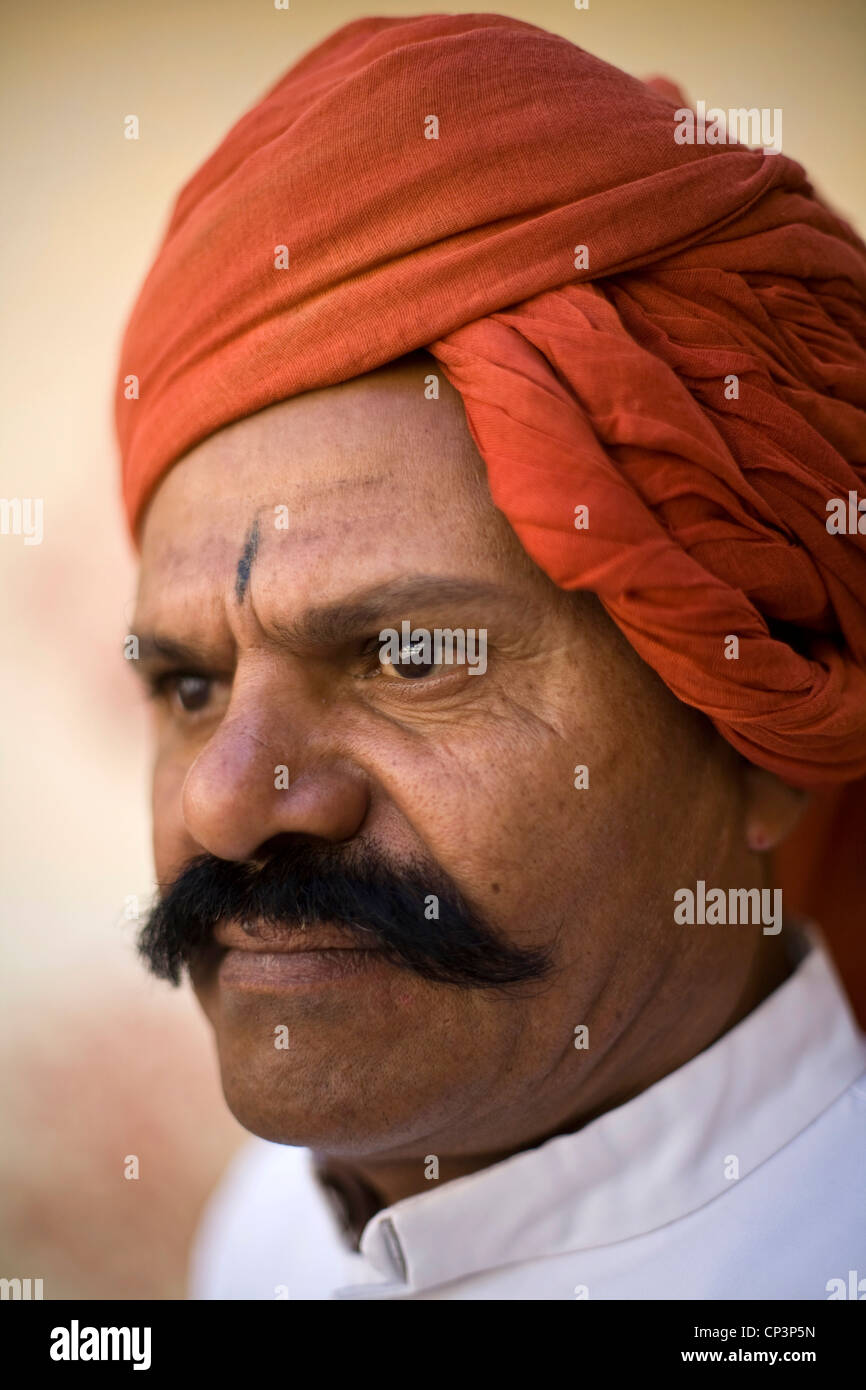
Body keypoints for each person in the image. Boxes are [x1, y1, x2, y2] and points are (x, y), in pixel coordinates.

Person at [116, 14, 866, 1300]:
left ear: (758, 727)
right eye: (191, 684)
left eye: (409, 655)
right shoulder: (270, 1230)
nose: (223, 801)